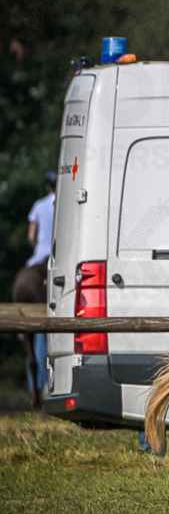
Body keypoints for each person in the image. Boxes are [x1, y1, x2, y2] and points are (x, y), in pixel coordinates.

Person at [26, 170, 56, 403]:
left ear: (47, 186)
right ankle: (52, 385)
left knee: (34, 330)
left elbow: (31, 236)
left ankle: (34, 386)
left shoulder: (38, 205)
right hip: (58, 259)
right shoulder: (64, 202)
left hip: (38, 259)